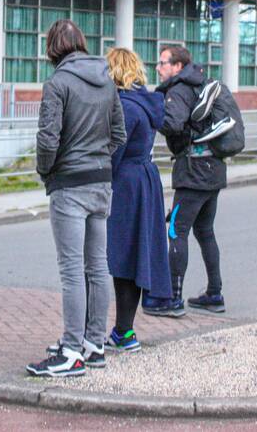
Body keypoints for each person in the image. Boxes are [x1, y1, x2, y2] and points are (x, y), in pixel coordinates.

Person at [26, 20, 126, 378]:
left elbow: (47, 138)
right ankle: (93, 344)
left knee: (72, 270)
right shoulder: (107, 81)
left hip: (69, 184)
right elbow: (119, 134)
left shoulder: (58, 83)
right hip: (101, 181)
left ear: (53, 47)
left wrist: (46, 171)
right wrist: (98, 159)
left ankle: (70, 351)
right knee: (97, 267)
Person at [104, 48, 172, 352]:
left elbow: (113, 151)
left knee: (122, 256)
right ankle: (125, 330)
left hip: (126, 183)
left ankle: (123, 331)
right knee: (135, 254)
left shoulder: (124, 107)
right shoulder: (145, 102)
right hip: (145, 178)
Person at [153, 45, 226, 316]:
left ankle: (173, 298)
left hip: (193, 171)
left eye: (163, 63)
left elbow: (173, 124)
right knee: (205, 231)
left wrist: (153, 116)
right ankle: (214, 293)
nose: (158, 68)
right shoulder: (201, 83)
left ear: (178, 66)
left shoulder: (179, 90)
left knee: (177, 231)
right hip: (213, 168)